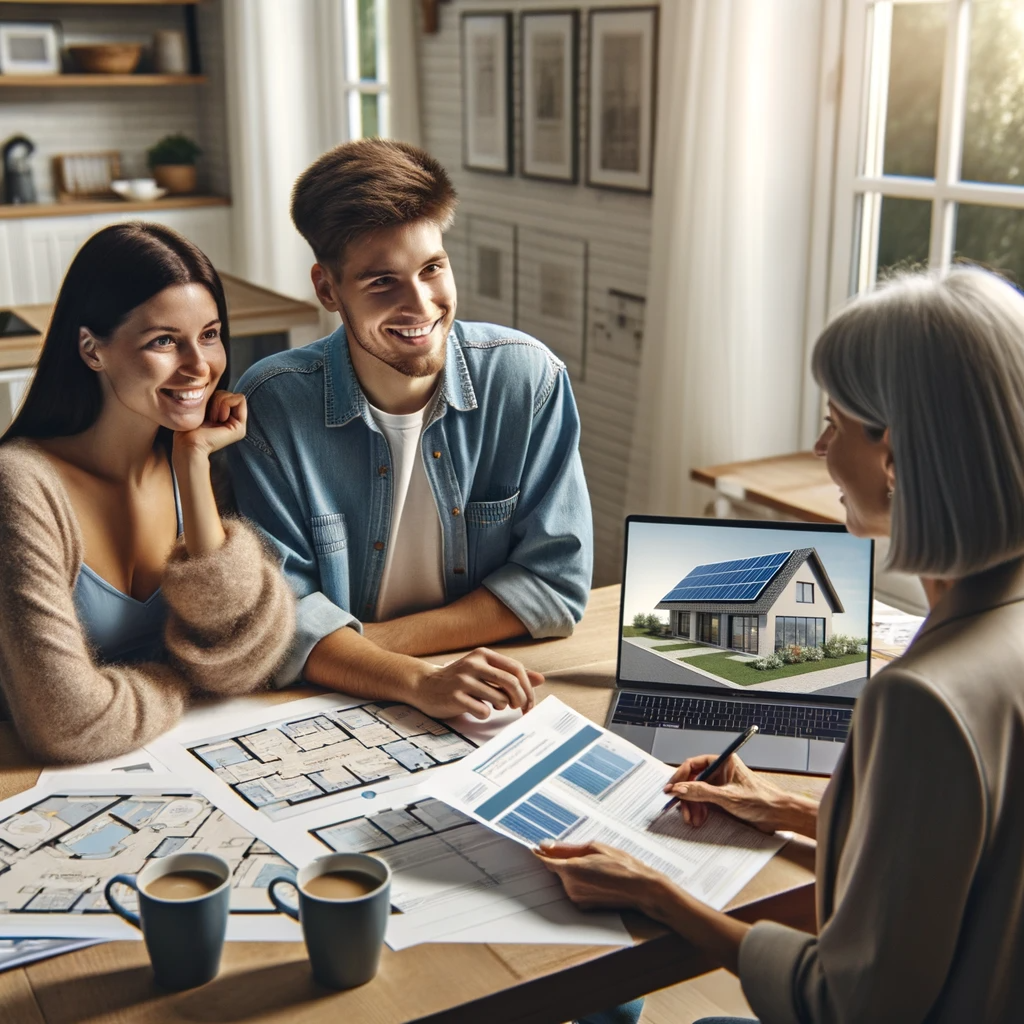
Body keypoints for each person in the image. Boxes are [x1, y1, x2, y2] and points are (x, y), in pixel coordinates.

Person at [538, 266, 1024, 1024]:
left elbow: (848, 1003)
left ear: (893, 458)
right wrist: (784, 808)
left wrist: (656, 893)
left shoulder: (924, 699)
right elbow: (957, 865)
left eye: (834, 421)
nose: (820, 445)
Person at [227, 138, 592, 721]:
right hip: (326, 705)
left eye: (431, 269)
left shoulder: (528, 379)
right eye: (381, 283)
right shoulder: (271, 406)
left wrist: (361, 647)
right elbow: (279, 623)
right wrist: (413, 677)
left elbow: (554, 587)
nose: (420, 305)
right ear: (327, 289)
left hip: (483, 686)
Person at [0, 223, 295, 763]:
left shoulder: (202, 465)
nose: (199, 366)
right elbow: (68, 725)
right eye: (164, 341)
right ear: (92, 349)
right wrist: (183, 679)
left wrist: (192, 465)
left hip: (171, 757)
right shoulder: (20, 486)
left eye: (209, 334)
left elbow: (243, 661)